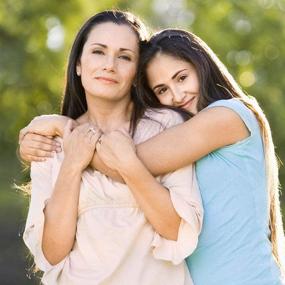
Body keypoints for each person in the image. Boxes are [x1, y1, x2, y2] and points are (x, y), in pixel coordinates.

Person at [20, 27, 285, 285]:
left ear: (202, 66)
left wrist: (62, 128)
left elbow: (123, 162)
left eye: (181, 78)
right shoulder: (178, 128)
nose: (177, 95)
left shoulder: (228, 115)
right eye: (161, 90)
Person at [20, 12, 203, 285]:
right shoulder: (51, 140)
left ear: (136, 72)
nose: (109, 65)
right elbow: (52, 253)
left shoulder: (167, 125)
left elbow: (177, 230)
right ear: (79, 65)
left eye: (124, 56)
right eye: (98, 52)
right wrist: (72, 162)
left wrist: (129, 164)